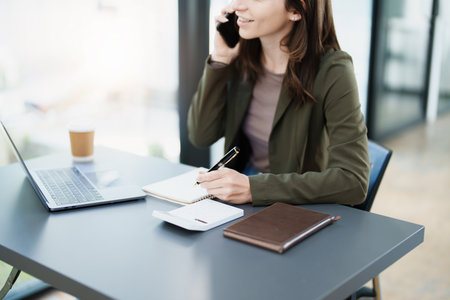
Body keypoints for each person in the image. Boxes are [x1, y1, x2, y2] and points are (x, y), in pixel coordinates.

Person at [188, 0, 370, 206]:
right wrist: (220, 58)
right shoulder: (243, 56)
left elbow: (354, 181)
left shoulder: (333, 71)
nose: (237, 5)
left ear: (296, 10)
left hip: (293, 206)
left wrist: (253, 188)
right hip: (243, 193)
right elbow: (201, 136)